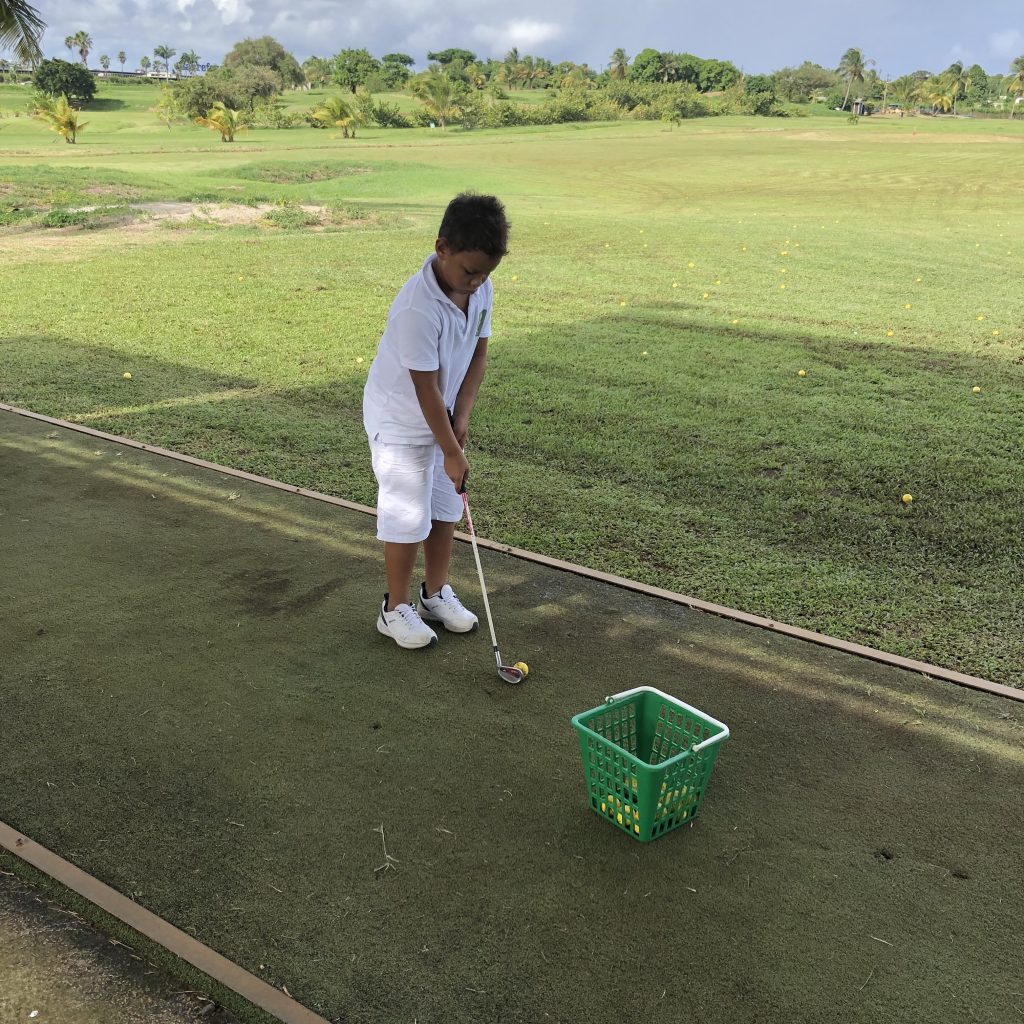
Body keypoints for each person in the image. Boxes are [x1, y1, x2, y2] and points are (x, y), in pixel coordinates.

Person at [363, 193, 510, 649]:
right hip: (403, 420)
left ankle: (434, 593)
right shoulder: (416, 309)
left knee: (446, 506)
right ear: (442, 247)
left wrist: (461, 419)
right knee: (407, 514)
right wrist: (450, 448)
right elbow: (424, 388)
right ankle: (395, 608)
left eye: (486, 273)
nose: (478, 282)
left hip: (443, 416)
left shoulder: (479, 287)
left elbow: (479, 354)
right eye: (470, 272)